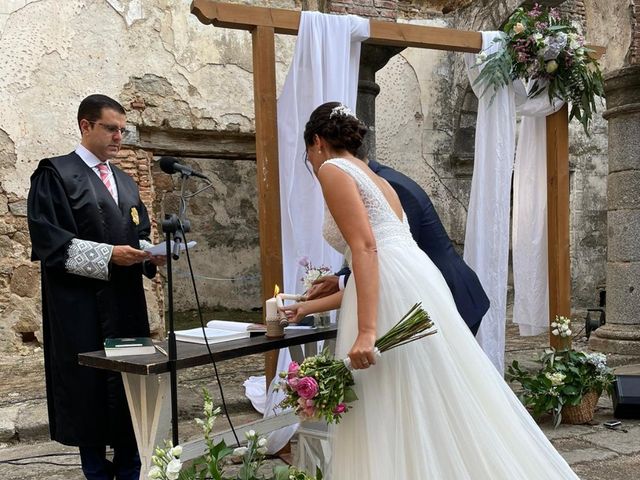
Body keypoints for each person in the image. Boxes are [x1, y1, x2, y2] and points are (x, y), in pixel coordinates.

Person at [281, 101, 579, 479]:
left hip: (390, 294)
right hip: (414, 283)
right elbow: (380, 261)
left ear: (318, 142)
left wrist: (368, 330)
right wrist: (308, 308)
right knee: (426, 396)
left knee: (388, 400)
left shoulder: (333, 170)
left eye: (309, 153)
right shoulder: (377, 177)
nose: (311, 161)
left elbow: (367, 249)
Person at [27, 94, 165, 480]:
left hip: (125, 303)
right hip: (80, 305)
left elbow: (138, 232)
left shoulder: (124, 180)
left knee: (130, 385)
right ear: (85, 126)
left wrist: (149, 254)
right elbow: (48, 241)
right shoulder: (55, 174)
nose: (119, 137)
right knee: (88, 386)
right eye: (111, 128)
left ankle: (131, 467)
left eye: (123, 129)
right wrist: (107, 256)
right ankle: (95, 470)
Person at [306, 156, 489, 335]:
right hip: (426, 294)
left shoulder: (386, 184)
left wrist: (341, 283)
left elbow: (396, 253)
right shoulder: (376, 178)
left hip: (449, 295)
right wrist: (340, 279)